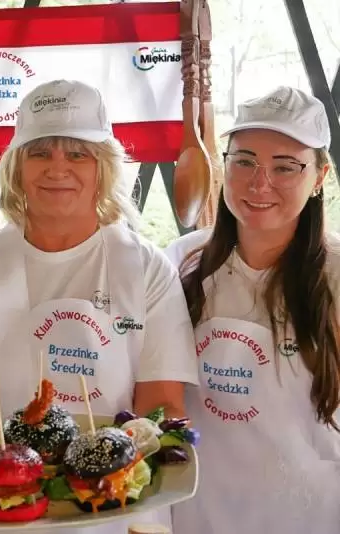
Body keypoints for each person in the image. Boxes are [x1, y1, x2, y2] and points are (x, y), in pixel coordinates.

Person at [0, 79, 199, 533]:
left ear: (103, 168)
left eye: (78, 154)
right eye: (40, 152)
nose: (57, 168)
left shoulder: (146, 268)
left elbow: (160, 408)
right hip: (4, 511)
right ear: (17, 167)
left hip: (119, 513)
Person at [166, 86, 340, 533]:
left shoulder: (335, 276)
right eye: (244, 161)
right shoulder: (181, 263)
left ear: (319, 176)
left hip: (308, 513)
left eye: (285, 166)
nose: (260, 183)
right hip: (199, 510)